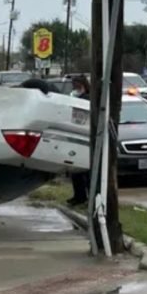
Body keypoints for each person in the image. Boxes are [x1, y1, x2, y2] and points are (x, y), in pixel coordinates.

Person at [68, 75, 90, 206]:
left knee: (85, 172)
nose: (75, 88)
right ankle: (79, 196)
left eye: (76, 85)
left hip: (86, 136)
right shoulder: (75, 96)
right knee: (76, 172)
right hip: (76, 135)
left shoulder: (87, 98)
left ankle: (84, 197)